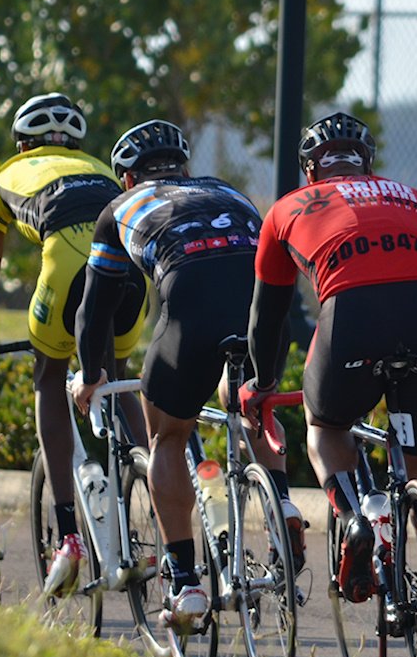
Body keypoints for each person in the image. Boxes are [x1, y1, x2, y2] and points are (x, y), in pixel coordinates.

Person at [70, 119, 298, 628]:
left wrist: (89, 375)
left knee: (167, 437)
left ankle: (186, 583)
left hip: (189, 312)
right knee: (250, 400)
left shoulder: (119, 209)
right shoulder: (228, 192)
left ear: (127, 179)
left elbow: (94, 308)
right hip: (264, 314)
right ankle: (282, 502)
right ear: (186, 168)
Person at [241, 112, 417, 620]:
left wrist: (262, 382)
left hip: (353, 317)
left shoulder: (285, 209)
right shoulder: (413, 196)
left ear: (310, 169)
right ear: (367, 163)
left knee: (324, 427)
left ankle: (354, 516)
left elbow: (267, 314)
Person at [0, 93, 142, 587]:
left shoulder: (2, 177)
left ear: (23, 145)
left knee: (50, 377)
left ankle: (69, 537)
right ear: (76, 144)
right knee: (119, 382)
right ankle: (149, 490)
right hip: (132, 275)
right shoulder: (102, 169)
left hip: (66, 270)